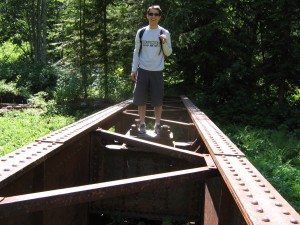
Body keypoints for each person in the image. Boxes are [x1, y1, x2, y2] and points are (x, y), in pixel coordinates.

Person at [130, 5, 172, 135]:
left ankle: (157, 124)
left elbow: (168, 53)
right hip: (142, 70)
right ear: (147, 16)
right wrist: (133, 69)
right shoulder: (141, 32)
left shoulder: (164, 33)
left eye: (156, 14)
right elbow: (136, 51)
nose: (153, 17)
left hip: (157, 71)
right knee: (140, 99)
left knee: (157, 100)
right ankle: (142, 123)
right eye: (151, 14)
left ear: (159, 17)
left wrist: (164, 42)